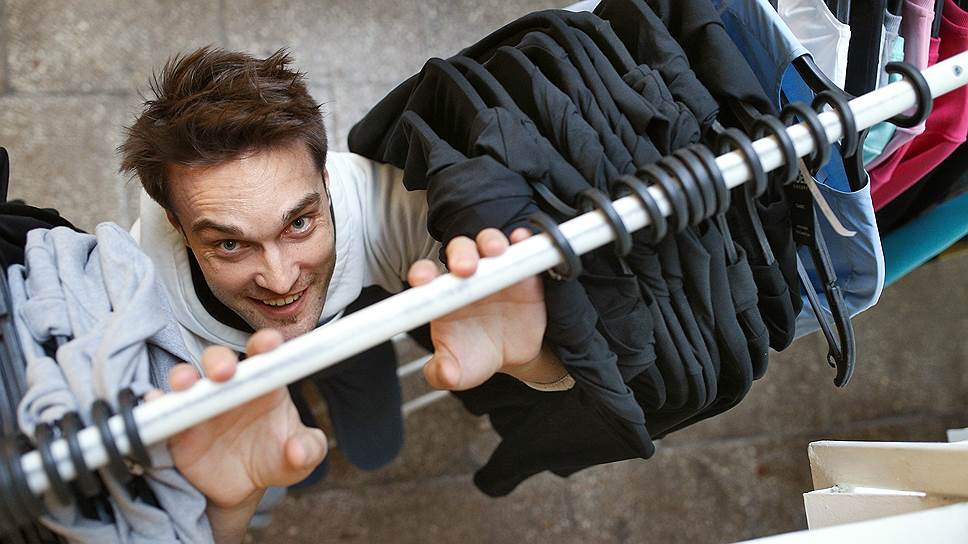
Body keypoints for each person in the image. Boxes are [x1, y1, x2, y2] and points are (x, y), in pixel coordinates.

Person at [119, 47, 564, 543]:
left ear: (326, 180)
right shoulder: (145, 302)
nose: (280, 280)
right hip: (233, 372)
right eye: (229, 244)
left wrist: (531, 362)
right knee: (295, 470)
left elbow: (558, 366)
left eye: (299, 223)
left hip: (348, 332)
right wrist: (231, 510)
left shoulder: (372, 200)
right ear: (177, 226)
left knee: (376, 449)